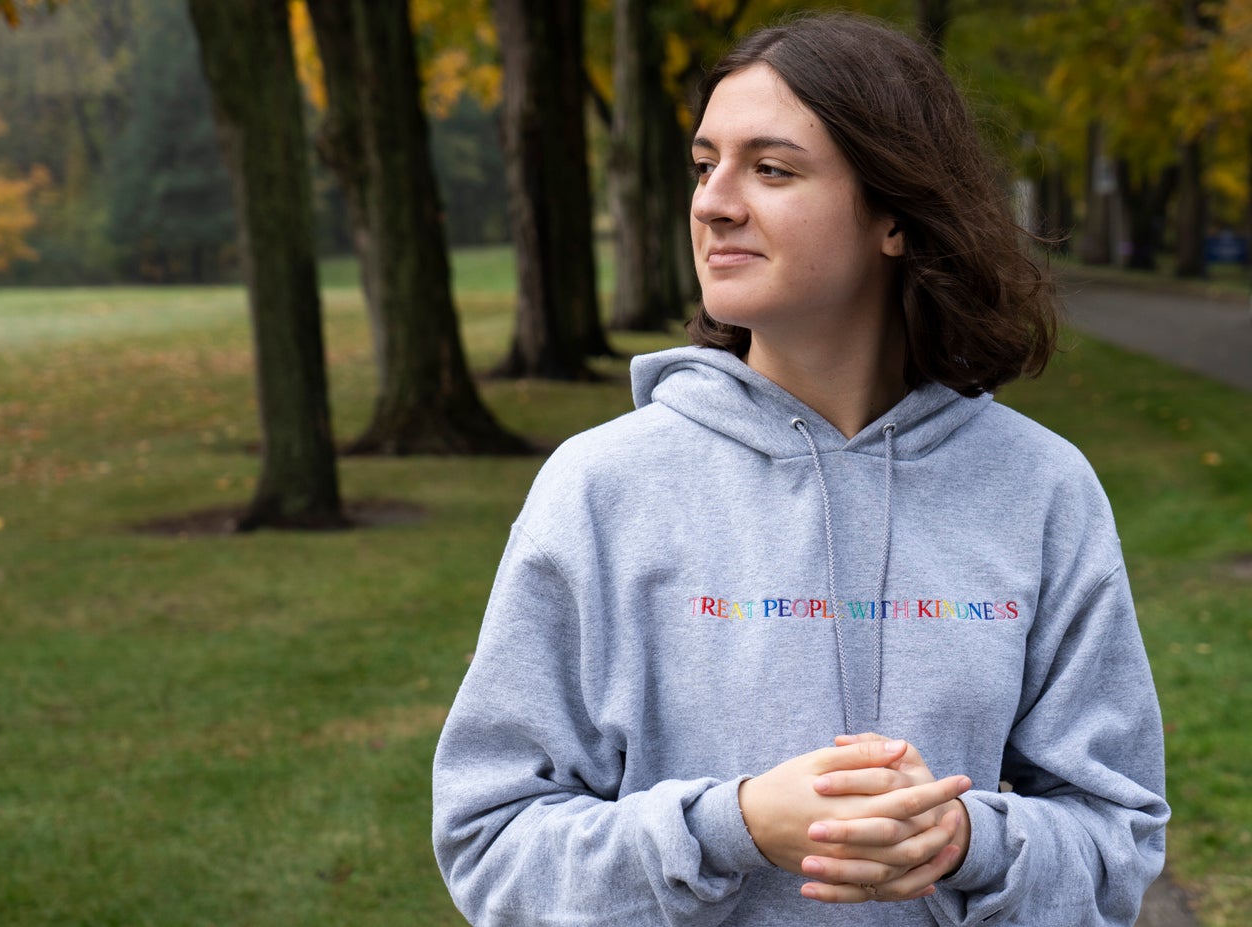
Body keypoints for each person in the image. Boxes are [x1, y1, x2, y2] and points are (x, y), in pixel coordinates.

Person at [432, 11, 1168, 926]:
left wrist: (963, 842)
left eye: (770, 169)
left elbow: (1116, 841)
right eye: (706, 166)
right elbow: (490, 840)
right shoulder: (602, 489)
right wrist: (728, 826)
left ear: (896, 216)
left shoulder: (1041, 490)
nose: (713, 202)